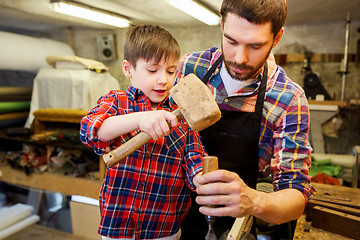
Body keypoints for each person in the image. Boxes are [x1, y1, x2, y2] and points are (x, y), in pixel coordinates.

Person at [177, 0, 316, 238]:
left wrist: (255, 202)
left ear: (277, 37)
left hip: (237, 229)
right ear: (222, 24)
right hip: (174, 222)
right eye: (231, 41)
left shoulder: (289, 99)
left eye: (255, 45)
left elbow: (295, 196)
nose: (240, 58)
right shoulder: (189, 68)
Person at [80, 24, 206, 240]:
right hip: (119, 224)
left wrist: (203, 180)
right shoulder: (116, 102)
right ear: (128, 69)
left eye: (170, 71)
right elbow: (90, 130)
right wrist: (139, 119)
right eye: (152, 70)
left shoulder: (181, 115)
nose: (163, 80)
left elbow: (195, 160)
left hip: (164, 227)